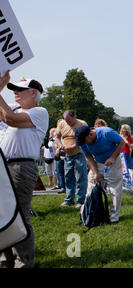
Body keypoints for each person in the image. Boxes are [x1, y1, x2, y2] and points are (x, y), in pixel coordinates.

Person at [0, 71, 48, 268]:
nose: (16, 92)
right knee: (3, 213)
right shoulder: (15, 108)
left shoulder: (39, 112)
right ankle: (6, 259)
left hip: (21, 166)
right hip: (6, 164)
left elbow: (10, 119)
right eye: (14, 89)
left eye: (21, 89)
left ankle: (24, 261)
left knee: (19, 214)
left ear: (34, 93)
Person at [75, 125, 125, 224]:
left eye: (85, 141)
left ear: (90, 134)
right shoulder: (82, 141)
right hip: (97, 162)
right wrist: (95, 173)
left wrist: (112, 157)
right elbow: (88, 157)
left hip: (113, 163)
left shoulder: (106, 132)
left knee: (114, 190)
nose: (84, 144)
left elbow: (121, 142)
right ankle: (89, 214)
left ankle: (114, 218)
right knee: (91, 189)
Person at [55, 110, 88, 209]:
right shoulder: (61, 124)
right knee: (68, 177)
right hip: (67, 155)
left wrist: (73, 146)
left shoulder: (82, 124)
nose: (68, 123)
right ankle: (69, 199)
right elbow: (57, 137)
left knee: (80, 178)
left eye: (69, 120)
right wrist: (61, 146)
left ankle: (81, 200)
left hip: (79, 154)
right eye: (66, 120)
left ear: (74, 117)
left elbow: (85, 139)